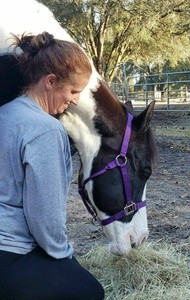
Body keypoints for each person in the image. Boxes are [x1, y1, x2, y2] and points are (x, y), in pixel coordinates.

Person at [0, 32, 104, 300]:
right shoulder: (45, 130)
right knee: (90, 292)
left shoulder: (5, 113)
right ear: (50, 82)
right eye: (73, 91)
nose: (75, 100)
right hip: (9, 253)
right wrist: (64, 254)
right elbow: (44, 217)